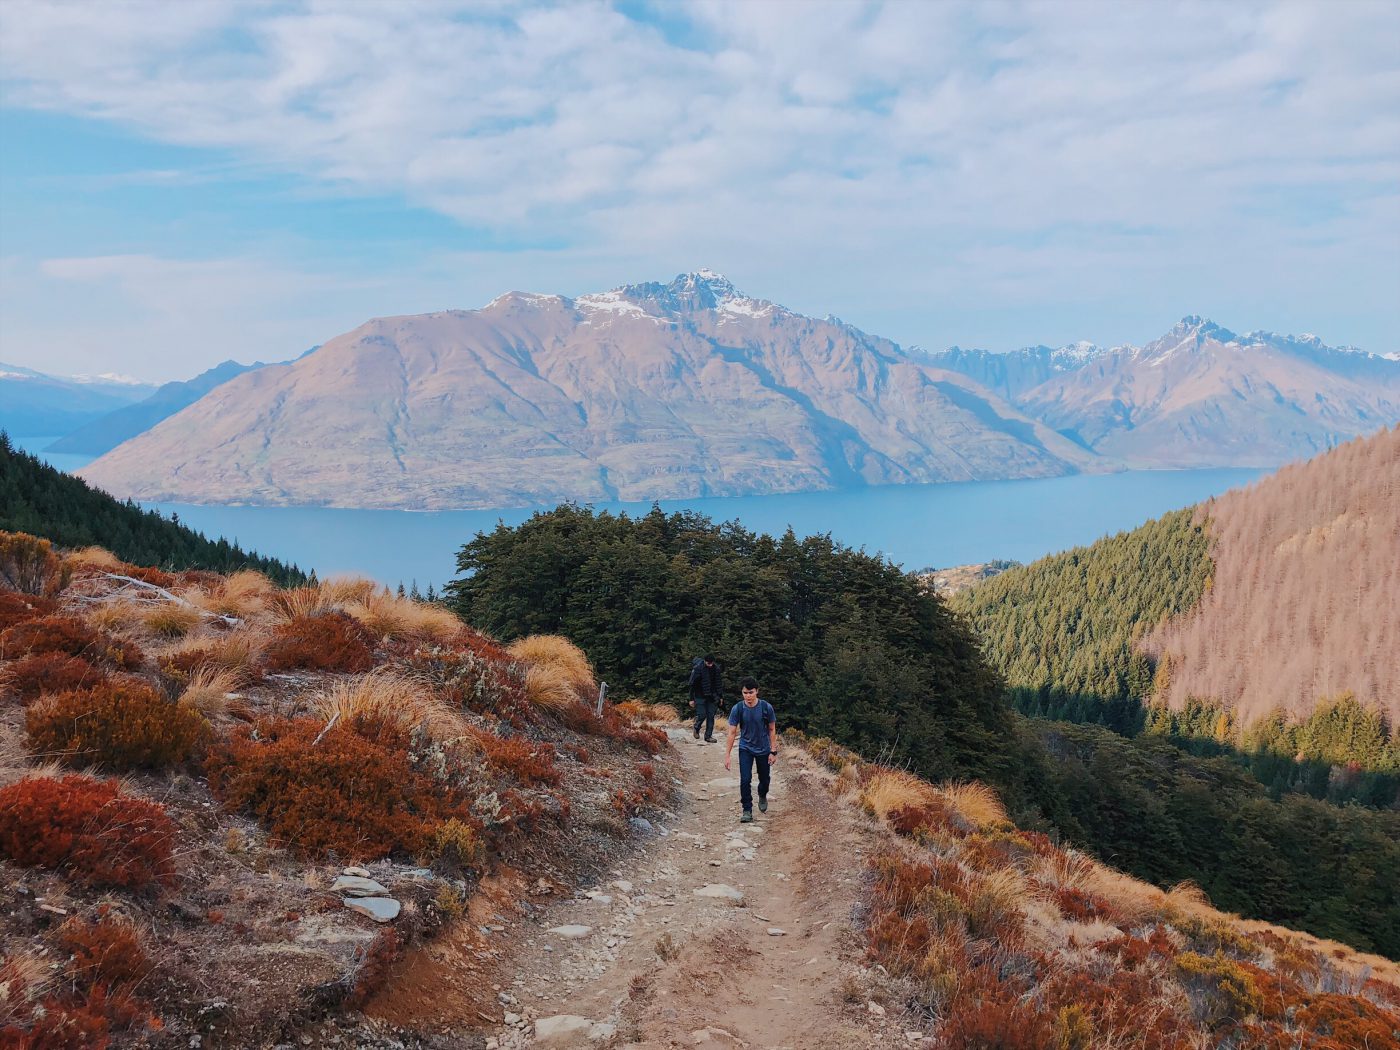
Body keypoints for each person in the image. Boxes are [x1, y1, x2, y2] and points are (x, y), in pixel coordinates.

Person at [723, 677, 778, 823]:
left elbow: (772, 729)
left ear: (757, 692)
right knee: (745, 780)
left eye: (751, 692)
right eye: (745, 693)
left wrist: (773, 751)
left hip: (764, 748)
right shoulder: (738, 708)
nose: (748, 696)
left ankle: (762, 794)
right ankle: (747, 810)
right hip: (745, 748)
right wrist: (727, 755)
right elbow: (732, 732)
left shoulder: (766, 708)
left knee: (764, 779)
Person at [688, 654, 723, 743]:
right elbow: (692, 685)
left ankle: (708, 736)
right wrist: (691, 699)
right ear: (704, 661)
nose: (710, 665)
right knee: (702, 715)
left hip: (712, 696)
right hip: (699, 695)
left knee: (711, 716)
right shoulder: (698, 669)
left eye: (711, 663)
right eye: (708, 663)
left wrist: (720, 697)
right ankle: (696, 728)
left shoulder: (716, 669)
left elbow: (719, 684)